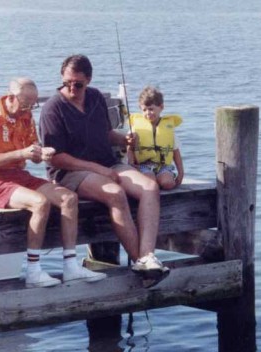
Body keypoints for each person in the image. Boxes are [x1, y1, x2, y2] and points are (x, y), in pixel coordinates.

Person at [0, 77, 106, 288]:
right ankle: (33, 271)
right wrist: (21, 152)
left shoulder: (25, 116)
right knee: (40, 203)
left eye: (33, 105)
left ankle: (71, 267)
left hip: (16, 175)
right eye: (25, 104)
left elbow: (31, 149)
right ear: (12, 97)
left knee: (69, 198)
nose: (29, 109)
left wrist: (41, 153)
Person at [39, 54, 169, 278]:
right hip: (70, 173)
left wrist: (123, 139)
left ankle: (147, 257)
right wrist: (98, 170)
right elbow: (56, 158)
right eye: (66, 82)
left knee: (149, 187)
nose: (72, 88)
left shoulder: (96, 98)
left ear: (88, 80)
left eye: (78, 84)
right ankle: (140, 261)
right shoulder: (53, 108)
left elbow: (106, 134)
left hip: (107, 163)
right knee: (115, 193)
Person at [127, 86, 184, 190]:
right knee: (150, 183)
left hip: (163, 166)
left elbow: (176, 152)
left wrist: (181, 173)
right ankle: (154, 181)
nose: (148, 113)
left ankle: (165, 178)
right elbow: (129, 148)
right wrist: (131, 163)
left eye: (151, 109)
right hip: (143, 166)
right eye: (144, 110)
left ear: (161, 107)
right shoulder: (135, 129)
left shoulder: (168, 128)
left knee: (168, 184)